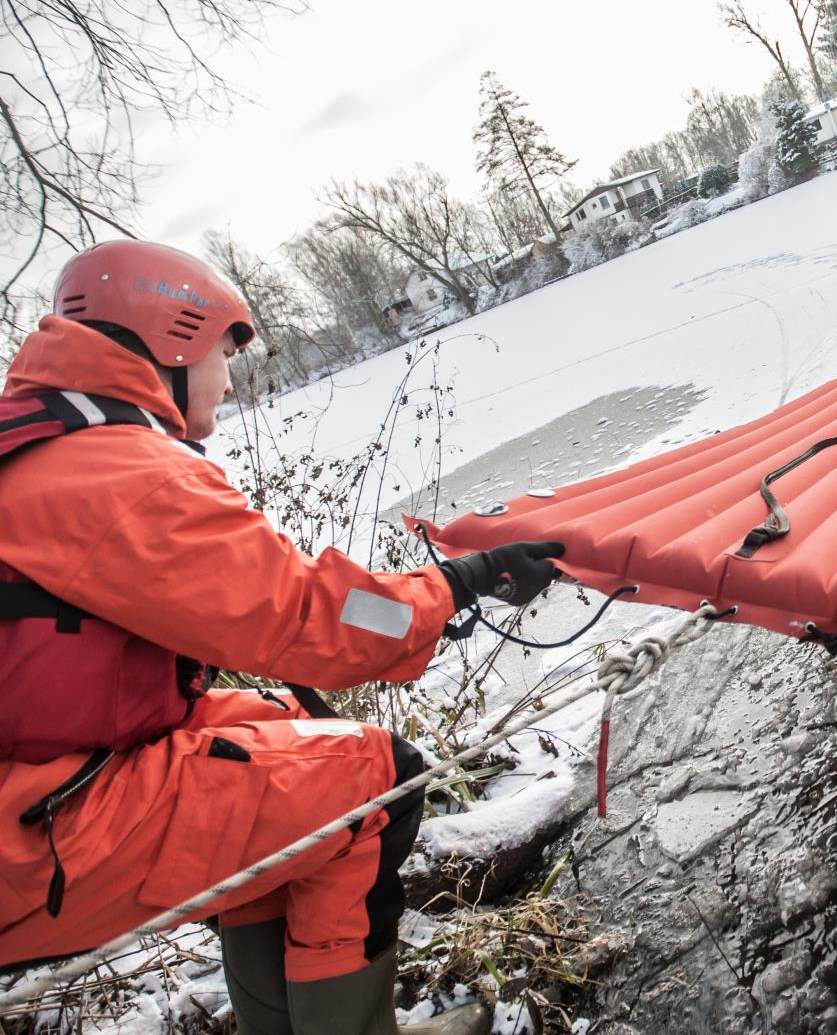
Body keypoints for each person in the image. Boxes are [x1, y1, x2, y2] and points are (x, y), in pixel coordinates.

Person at [0, 240, 567, 1034]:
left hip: (40, 791)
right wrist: (458, 585)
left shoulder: (37, 444)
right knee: (377, 783)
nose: (229, 380)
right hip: (36, 836)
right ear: (165, 344)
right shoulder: (113, 472)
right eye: (217, 355)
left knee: (275, 732)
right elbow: (307, 618)